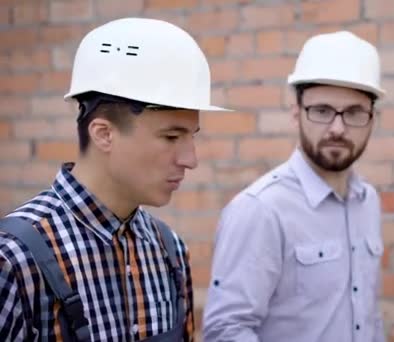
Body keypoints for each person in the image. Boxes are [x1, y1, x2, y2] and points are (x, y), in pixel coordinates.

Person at [0, 17, 226, 341]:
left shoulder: (169, 250)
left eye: (192, 136)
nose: (191, 159)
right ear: (104, 134)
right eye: (171, 137)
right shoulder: (14, 259)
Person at [203, 31, 386, 342]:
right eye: (323, 111)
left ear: (371, 119)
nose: (338, 128)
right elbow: (226, 331)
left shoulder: (368, 201)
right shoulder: (261, 209)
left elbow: (369, 318)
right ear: (296, 114)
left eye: (354, 112)